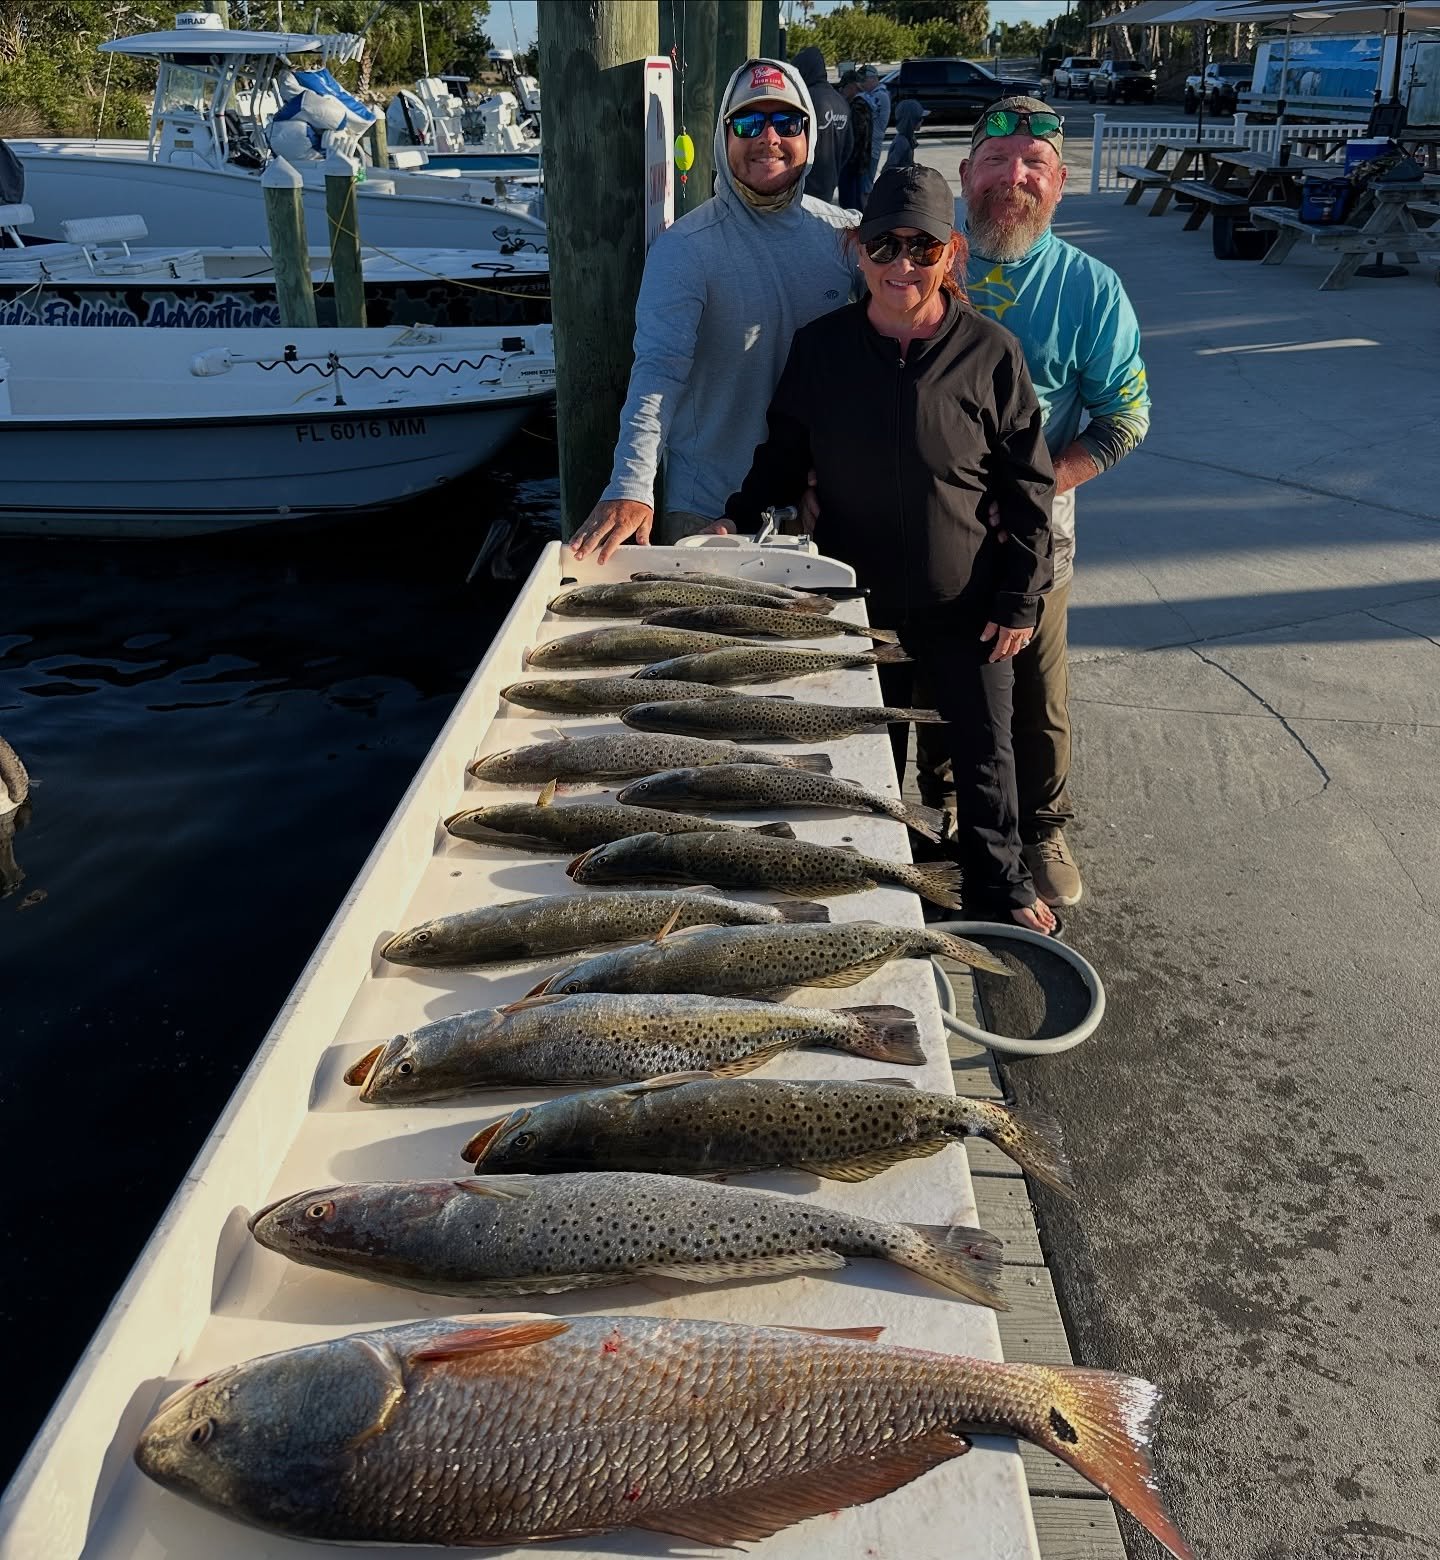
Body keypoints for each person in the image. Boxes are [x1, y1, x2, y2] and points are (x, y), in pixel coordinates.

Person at [724, 165, 1058, 933]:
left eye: (921, 247)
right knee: (863, 757)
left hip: (967, 599)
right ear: (856, 248)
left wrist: (1019, 594)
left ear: (952, 254)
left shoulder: (991, 352)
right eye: (883, 245)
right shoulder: (821, 350)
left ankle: (998, 885)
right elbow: (780, 458)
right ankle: (875, 879)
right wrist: (740, 517)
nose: (901, 265)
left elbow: (1029, 488)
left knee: (984, 753)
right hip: (852, 605)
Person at [956, 97, 1151, 909]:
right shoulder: (924, 256)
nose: (1015, 178)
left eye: (1033, 164)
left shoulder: (1092, 287)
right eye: (996, 163)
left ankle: (1043, 825)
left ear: (1060, 184)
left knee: (1036, 691)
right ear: (964, 175)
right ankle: (953, 817)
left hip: (1037, 534)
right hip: (928, 521)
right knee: (938, 680)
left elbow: (1125, 416)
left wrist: (1036, 491)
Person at [567, 58, 856, 564]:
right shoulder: (686, 248)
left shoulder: (845, 237)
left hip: (816, 505)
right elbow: (659, 371)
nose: (768, 138)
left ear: (810, 136)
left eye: (787, 123)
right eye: (748, 123)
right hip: (709, 513)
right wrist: (632, 483)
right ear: (724, 137)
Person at [793, 46, 851, 203]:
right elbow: (849, 147)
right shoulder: (841, 101)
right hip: (828, 185)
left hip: (803, 187)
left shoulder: (803, 100)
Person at [836, 70, 873, 209]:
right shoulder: (863, 103)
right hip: (859, 163)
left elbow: (857, 138)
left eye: (843, 88)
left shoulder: (857, 106)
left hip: (853, 164)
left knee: (850, 204)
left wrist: (847, 160)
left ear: (852, 86)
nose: (841, 91)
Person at [857, 66, 890, 194]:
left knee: (866, 185)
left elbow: (864, 103)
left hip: (872, 146)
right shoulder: (875, 94)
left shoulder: (880, 95)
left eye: (863, 81)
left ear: (873, 79)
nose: (861, 84)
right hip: (869, 145)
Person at [883, 99, 925, 173]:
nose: (922, 120)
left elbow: (906, 162)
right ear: (912, 121)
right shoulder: (902, 142)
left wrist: (913, 165)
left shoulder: (909, 137)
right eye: (919, 118)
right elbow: (889, 168)